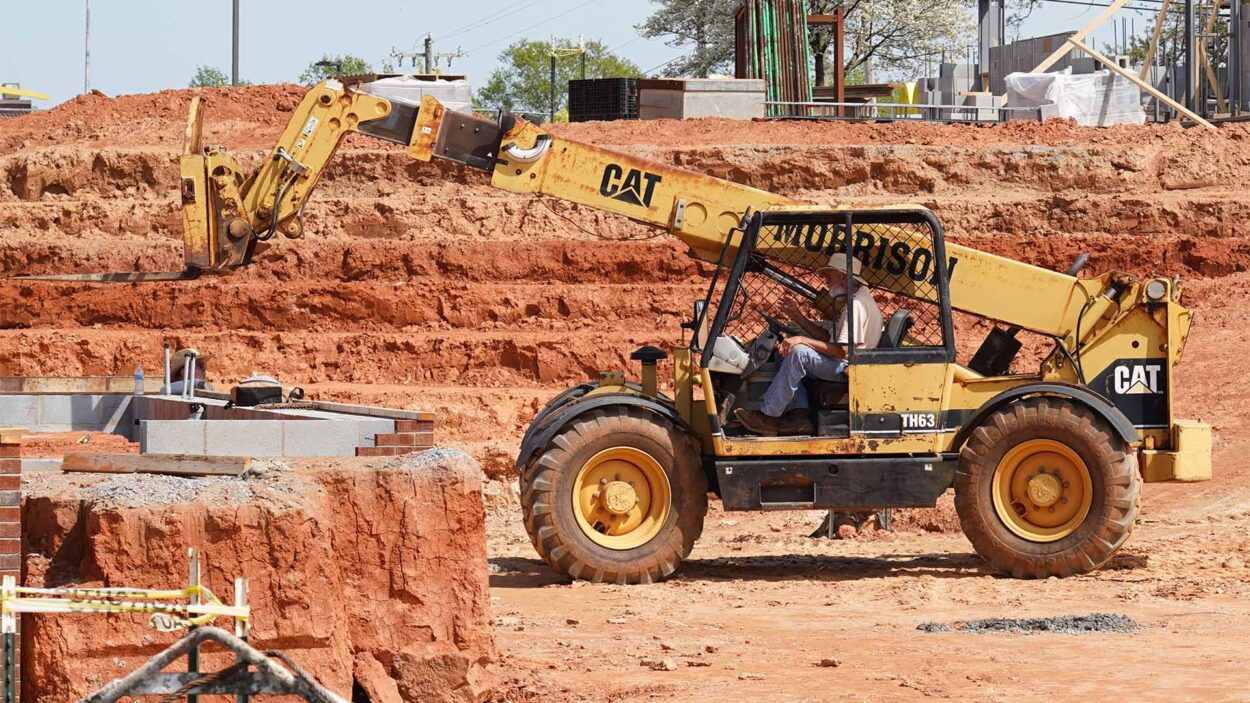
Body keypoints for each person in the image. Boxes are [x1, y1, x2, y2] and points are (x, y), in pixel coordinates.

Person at [735, 252, 884, 436]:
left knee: (798, 353)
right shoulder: (857, 300)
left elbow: (842, 351)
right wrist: (799, 318)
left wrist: (802, 340)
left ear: (844, 277)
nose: (826, 280)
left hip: (848, 368)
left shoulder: (856, 305)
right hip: (848, 363)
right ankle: (799, 418)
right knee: (785, 353)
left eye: (830, 276)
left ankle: (768, 417)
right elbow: (830, 339)